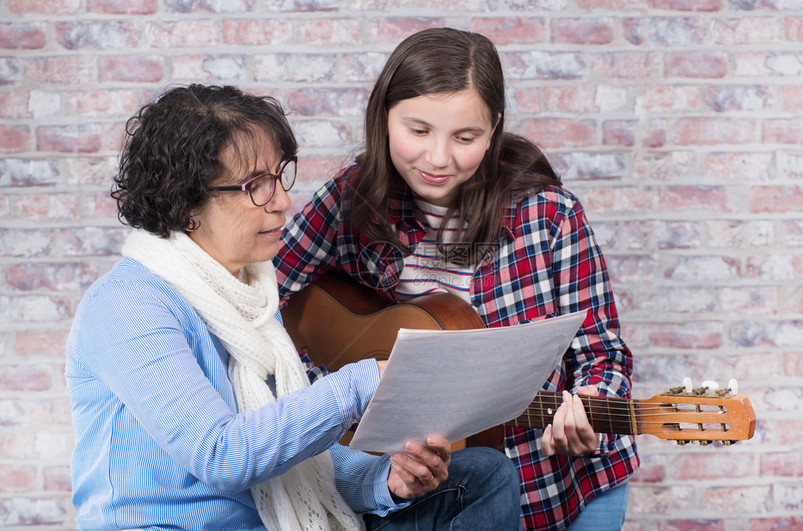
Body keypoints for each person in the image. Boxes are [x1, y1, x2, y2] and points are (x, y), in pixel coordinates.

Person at [65, 83, 522, 531]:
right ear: (186, 204)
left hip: (267, 519)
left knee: (483, 473)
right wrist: (365, 381)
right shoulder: (129, 305)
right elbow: (221, 456)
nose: (283, 202)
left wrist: (385, 480)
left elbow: (303, 464)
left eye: (280, 177)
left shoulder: (250, 293)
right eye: (255, 186)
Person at [274, 28, 640, 531]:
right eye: (418, 131)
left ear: (494, 130)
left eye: (465, 138)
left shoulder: (549, 215)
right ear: (383, 116)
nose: (439, 158)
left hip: (552, 489)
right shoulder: (347, 201)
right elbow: (250, 302)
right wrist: (332, 397)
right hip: (423, 499)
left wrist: (592, 402)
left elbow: (602, 353)